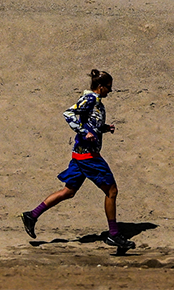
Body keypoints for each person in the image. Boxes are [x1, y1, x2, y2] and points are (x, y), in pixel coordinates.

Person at [21, 68, 130, 255]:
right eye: (109, 88)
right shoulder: (90, 99)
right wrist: (82, 131)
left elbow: (91, 123)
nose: (110, 91)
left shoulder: (97, 102)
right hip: (88, 156)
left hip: (80, 155)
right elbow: (69, 114)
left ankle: (32, 215)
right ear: (100, 87)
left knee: (68, 192)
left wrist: (103, 128)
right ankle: (113, 234)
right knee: (111, 191)